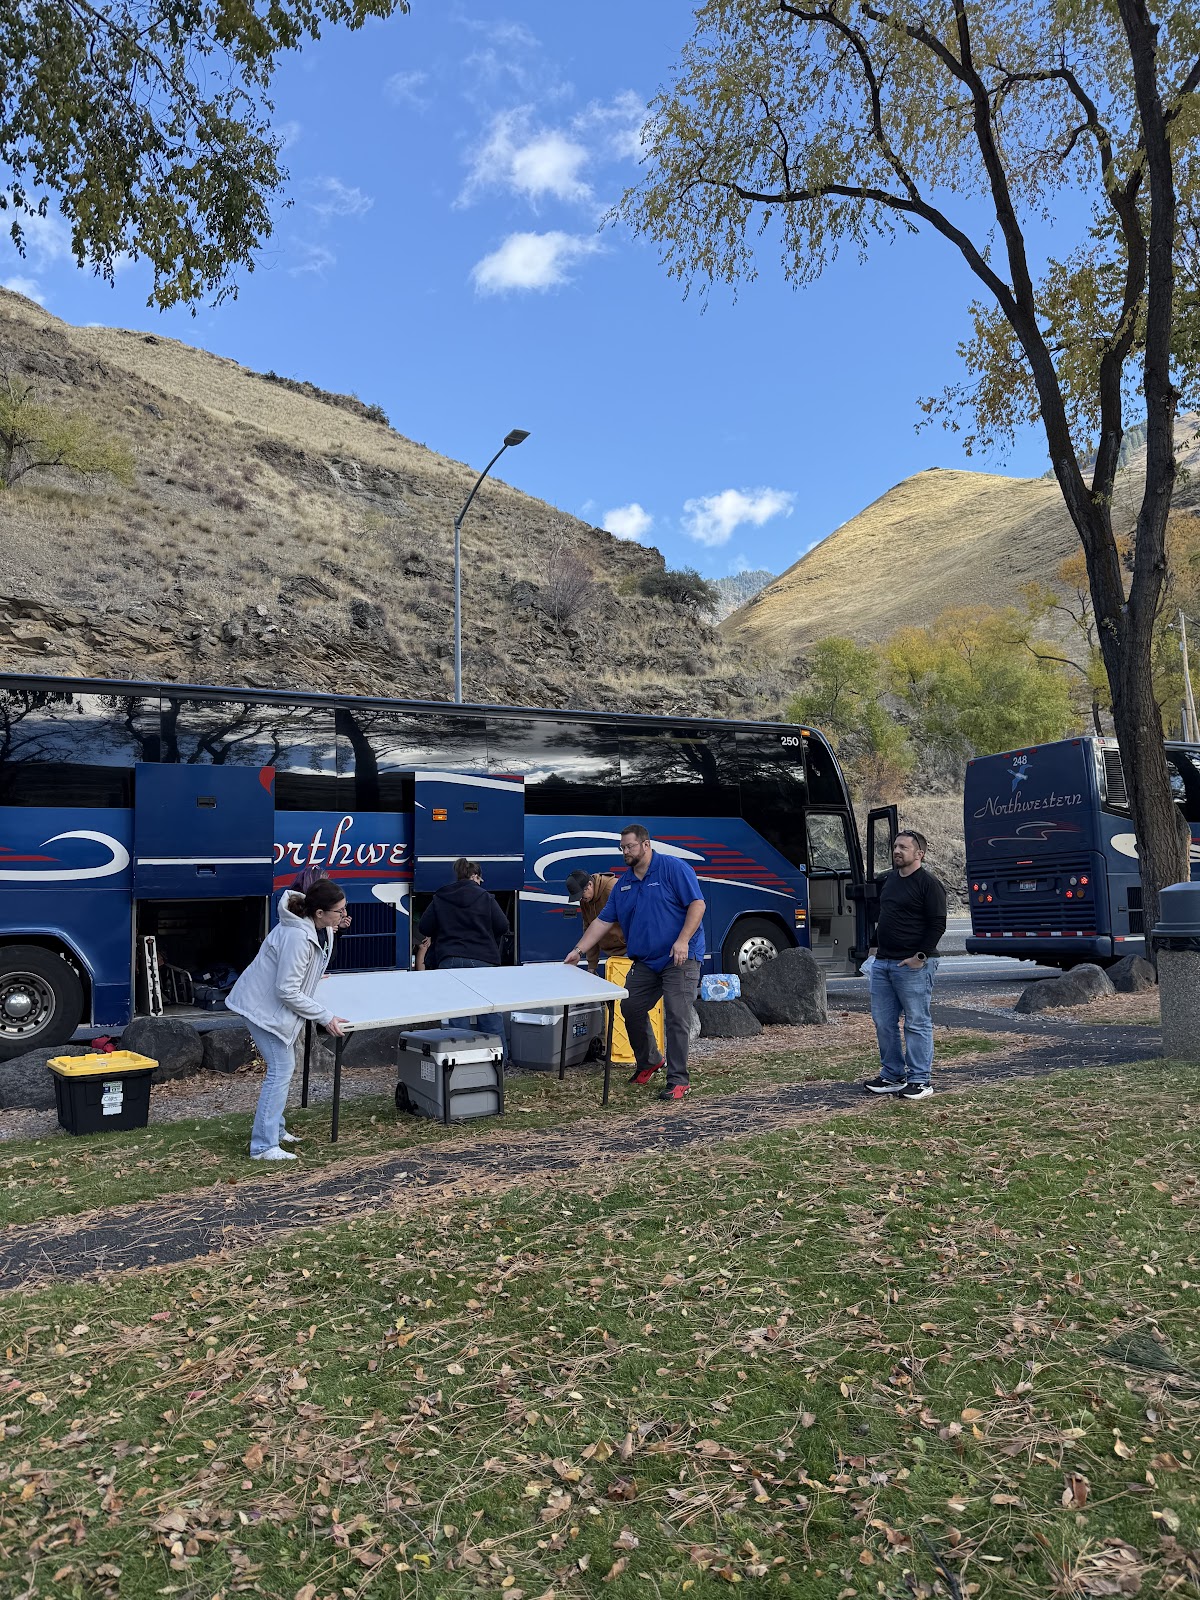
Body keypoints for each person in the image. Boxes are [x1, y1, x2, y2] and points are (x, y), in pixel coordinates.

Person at [564, 824, 705, 1102]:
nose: (625, 852)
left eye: (630, 846)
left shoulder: (673, 868)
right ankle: (650, 1060)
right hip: (646, 961)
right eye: (622, 848)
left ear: (646, 845)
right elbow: (601, 922)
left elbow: (697, 904)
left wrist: (683, 940)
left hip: (679, 957)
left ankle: (678, 1080)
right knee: (630, 1007)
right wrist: (578, 951)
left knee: (676, 1015)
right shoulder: (623, 885)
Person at [226, 879, 350, 1160]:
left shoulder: (316, 928)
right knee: (281, 1069)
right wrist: (326, 1016)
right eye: (339, 911)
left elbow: (299, 972)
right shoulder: (297, 936)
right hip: (261, 1010)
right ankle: (263, 1146)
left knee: (283, 1068)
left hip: (271, 1009)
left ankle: (275, 1131)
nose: (343, 915)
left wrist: (313, 976)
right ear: (319, 912)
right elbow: (286, 990)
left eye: (344, 909)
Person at [862, 829, 947, 1101]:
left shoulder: (928, 884)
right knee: (883, 1022)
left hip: (912, 966)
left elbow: (938, 924)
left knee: (916, 1022)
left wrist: (919, 957)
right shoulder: (890, 880)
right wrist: (874, 947)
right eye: (895, 846)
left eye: (903, 847)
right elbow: (885, 916)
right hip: (883, 963)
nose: (897, 851)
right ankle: (892, 1075)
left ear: (919, 854)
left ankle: (920, 1080)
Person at [418, 858, 511, 1056]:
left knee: (458, 1016)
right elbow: (503, 926)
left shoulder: (441, 897)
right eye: (480, 879)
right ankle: (498, 1063)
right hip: (482, 960)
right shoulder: (485, 897)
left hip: (449, 960)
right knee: (489, 1013)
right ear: (475, 876)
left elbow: (424, 926)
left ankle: (461, 1061)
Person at [565, 868, 627, 973]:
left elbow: (636, 921)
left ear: (589, 885)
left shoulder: (613, 889)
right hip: (614, 954)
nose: (581, 899)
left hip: (629, 951)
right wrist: (592, 965)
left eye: (582, 895)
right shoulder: (585, 900)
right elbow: (589, 929)